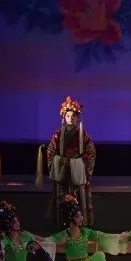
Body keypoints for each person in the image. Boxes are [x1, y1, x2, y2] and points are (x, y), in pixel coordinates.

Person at [37, 96, 96, 228]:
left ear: (77, 118)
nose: (71, 118)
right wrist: (62, 161)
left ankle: (80, 227)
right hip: (63, 173)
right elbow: (51, 150)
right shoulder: (58, 134)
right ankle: (62, 225)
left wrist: (77, 162)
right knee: (62, 199)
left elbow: (91, 152)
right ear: (64, 117)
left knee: (79, 198)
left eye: (73, 116)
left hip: (78, 174)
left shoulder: (83, 134)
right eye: (68, 116)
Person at [48, 195, 128, 261]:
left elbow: (103, 236)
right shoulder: (65, 234)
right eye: (77, 216)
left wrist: (119, 235)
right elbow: (47, 242)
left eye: (81, 215)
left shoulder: (85, 232)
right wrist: (57, 244)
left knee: (100, 255)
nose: (81, 218)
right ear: (70, 219)